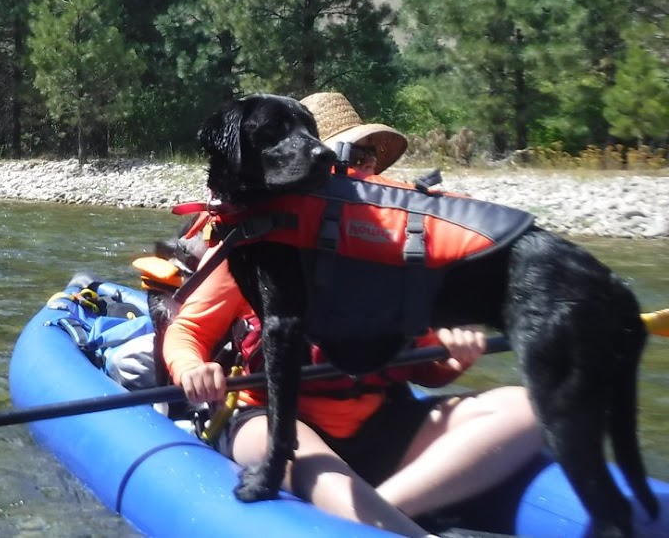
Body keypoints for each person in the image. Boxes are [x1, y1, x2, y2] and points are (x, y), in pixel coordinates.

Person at [162, 92, 541, 538]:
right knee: (302, 454)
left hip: (378, 423)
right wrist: (192, 368)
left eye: (367, 158)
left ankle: (379, 513)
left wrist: (449, 359)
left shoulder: (389, 252)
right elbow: (186, 330)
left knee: (528, 406)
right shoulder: (258, 249)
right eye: (348, 156)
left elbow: (420, 365)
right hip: (272, 421)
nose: (362, 170)